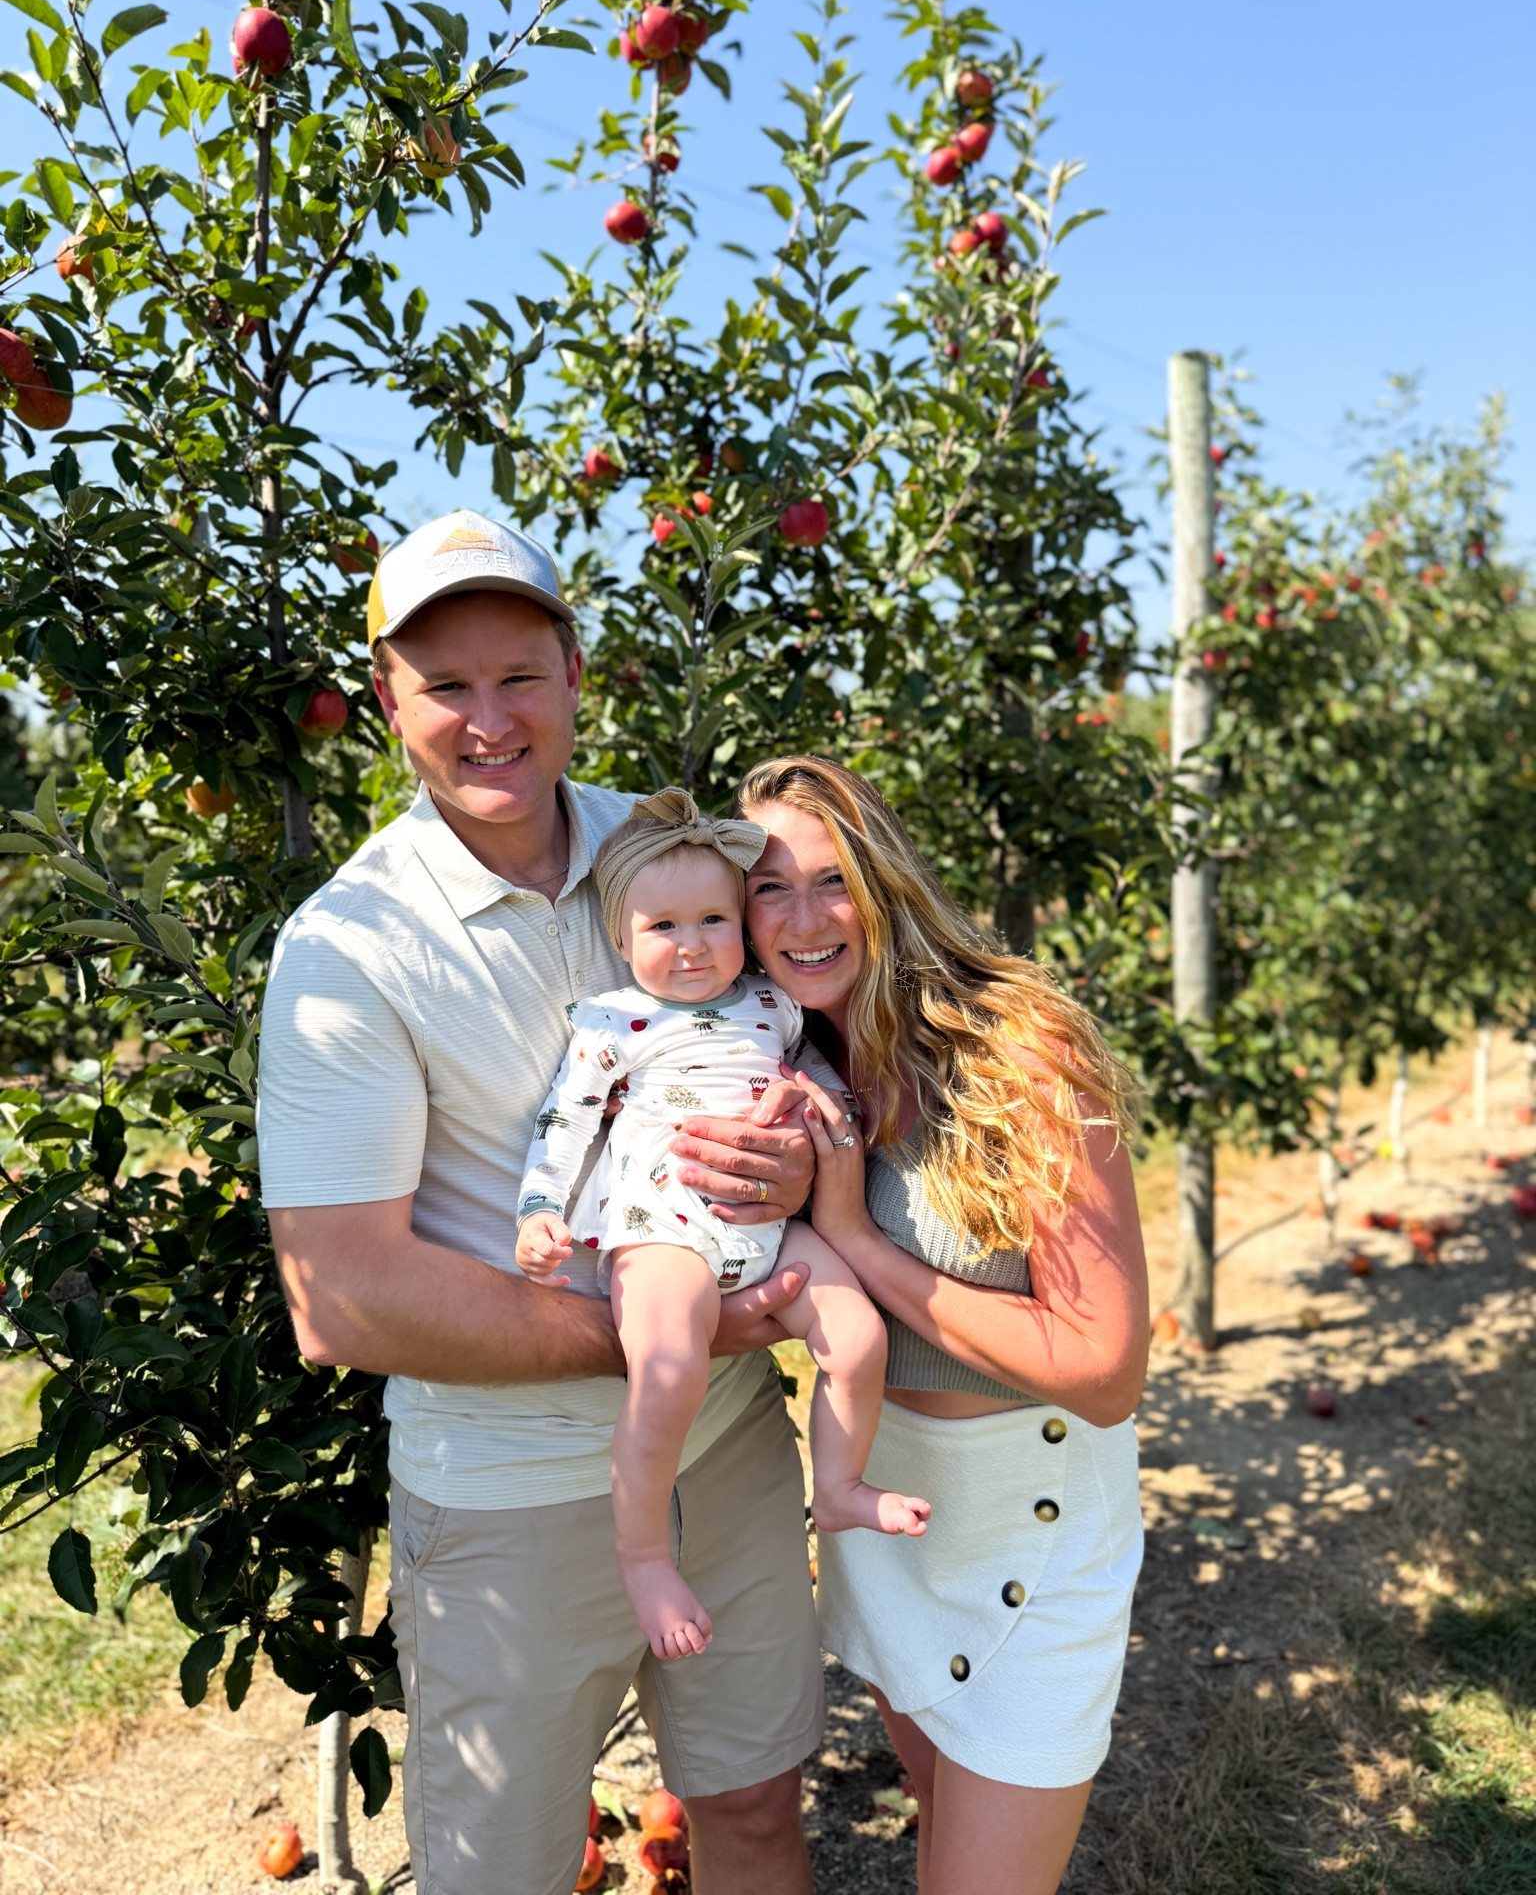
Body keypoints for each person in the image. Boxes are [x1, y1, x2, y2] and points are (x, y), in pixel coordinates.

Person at [257, 512, 825, 1895]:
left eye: (519, 674)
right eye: (446, 684)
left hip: (727, 1449)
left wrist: (804, 1162)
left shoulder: (672, 853)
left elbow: (809, 1022)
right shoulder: (350, 948)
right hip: (509, 1498)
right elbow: (343, 1298)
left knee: (754, 1805)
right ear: (386, 696)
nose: (489, 718)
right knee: (501, 1871)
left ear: (576, 671)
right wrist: (674, 1336)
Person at [736, 755, 1150, 1895]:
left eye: (834, 880)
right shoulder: (785, 1056)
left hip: (1037, 1523)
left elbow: (1104, 1370)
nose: (805, 919)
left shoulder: (1017, 1051)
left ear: (885, 883)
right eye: (770, 889)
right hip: (894, 1517)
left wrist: (857, 1240)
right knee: (942, 1835)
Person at [515, 788, 929, 1660]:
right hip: (662, 1230)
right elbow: (567, 1119)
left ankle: (841, 1485)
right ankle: (644, 1559)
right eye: (663, 927)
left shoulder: (772, 1004)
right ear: (621, 937)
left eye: (713, 919)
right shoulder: (613, 1021)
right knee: (667, 1372)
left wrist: (823, 1107)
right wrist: (541, 1209)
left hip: (769, 1232)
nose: (693, 944)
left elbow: (816, 1073)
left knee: (857, 1337)